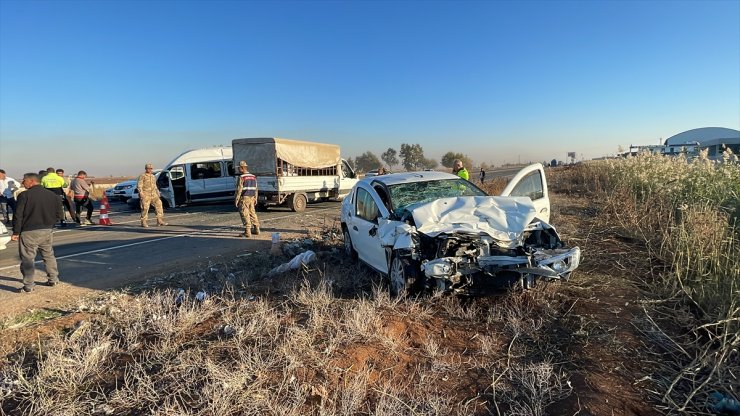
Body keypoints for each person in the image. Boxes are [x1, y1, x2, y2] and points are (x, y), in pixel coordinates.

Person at [11, 173, 63, 293]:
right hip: (47, 230)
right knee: (48, 255)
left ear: (32, 181)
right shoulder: (53, 196)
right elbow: (59, 214)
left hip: (29, 231)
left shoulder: (24, 195)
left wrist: (16, 232)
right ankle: (53, 279)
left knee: (28, 258)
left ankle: (29, 285)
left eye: (24, 180)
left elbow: (18, 215)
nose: (22, 182)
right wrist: (50, 224)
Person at [235, 160, 260, 238]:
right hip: (252, 197)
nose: (238, 169)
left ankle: (248, 232)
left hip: (244, 198)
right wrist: (256, 198)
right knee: (252, 213)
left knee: (244, 214)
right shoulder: (253, 176)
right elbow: (256, 188)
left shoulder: (242, 177)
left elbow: (239, 189)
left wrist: (236, 200)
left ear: (242, 168)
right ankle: (257, 229)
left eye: (239, 168)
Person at [137, 163, 167, 227]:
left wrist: (157, 192)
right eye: (148, 168)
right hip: (146, 194)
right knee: (145, 208)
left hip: (154, 194)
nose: (150, 170)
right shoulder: (142, 176)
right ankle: (143, 222)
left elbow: (154, 185)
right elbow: (139, 185)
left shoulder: (153, 176)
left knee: (159, 206)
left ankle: (159, 220)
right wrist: (141, 193)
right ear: (146, 169)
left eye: (151, 168)